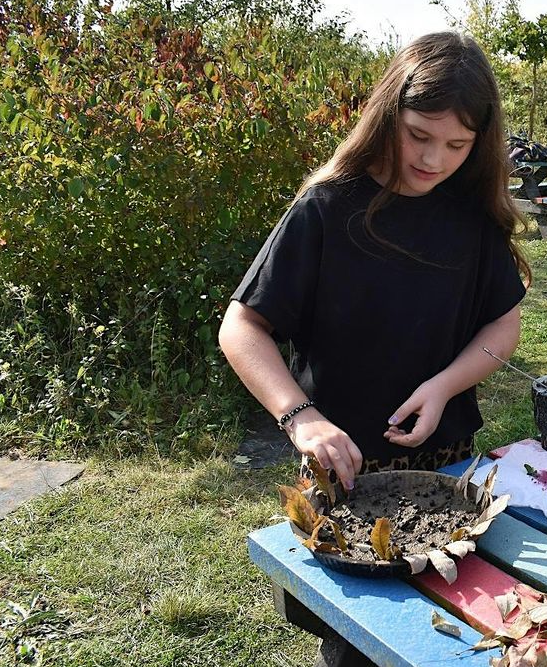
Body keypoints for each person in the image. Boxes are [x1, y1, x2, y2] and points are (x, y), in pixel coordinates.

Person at [219, 31, 530, 492]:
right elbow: (241, 328)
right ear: (387, 114)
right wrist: (300, 417)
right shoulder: (326, 208)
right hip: (339, 465)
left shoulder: (472, 215)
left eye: (457, 145)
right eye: (418, 135)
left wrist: (444, 386)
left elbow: (503, 325)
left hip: (449, 459)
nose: (433, 159)